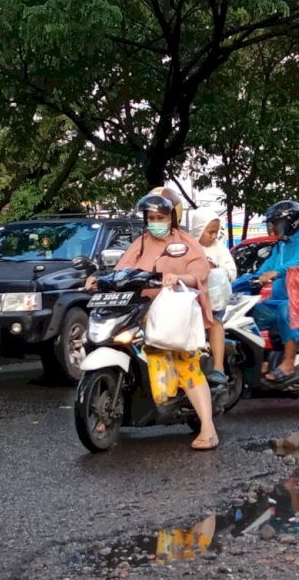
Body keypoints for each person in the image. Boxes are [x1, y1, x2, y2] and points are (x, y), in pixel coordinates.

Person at [85, 188, 219, 450]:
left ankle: (208, 428)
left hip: (173, 314)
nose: (155, 222)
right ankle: (111, 411)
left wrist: (178, 278)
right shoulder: (141, 242)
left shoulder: (185, 242)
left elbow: (199, 273)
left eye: (161, 217)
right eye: (151, 217)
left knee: (185, 365)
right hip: (141, 310)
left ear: (172, 217)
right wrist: (99, 280)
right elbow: (122, 270)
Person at [252, 200, 299, 381]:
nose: (273, 228)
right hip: (279, 300)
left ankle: (288, 363)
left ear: (289, 223)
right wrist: (250, 279)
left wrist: (275, 273)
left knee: (287, 311)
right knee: (252, 311)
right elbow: (266, 266)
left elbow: (298, 263)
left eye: (276, 224)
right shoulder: (280, 246)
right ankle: (261, 359)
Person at [190, 207, 237, 387]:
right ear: (198, 229)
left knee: (215, 322)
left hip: (213, 302)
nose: (213, 236)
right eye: (210, 232)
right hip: (190, 301)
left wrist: (216, 268)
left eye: (215, 233)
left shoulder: (219, 249)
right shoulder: (188, 246)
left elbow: (231, 271)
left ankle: (218, 367)